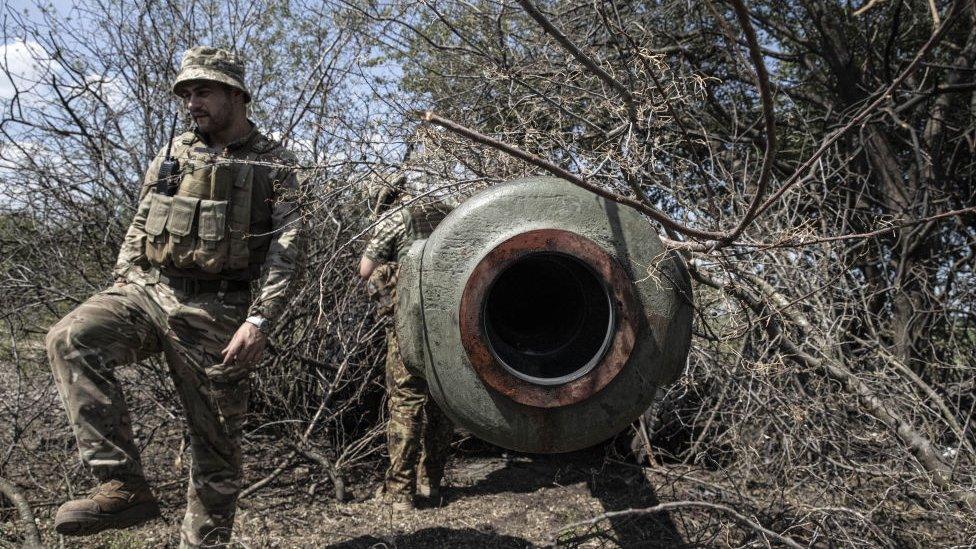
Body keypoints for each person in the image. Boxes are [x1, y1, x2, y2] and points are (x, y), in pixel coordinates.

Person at [46, 46, 305, 547]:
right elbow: (141, 224)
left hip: (218, 311)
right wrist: (124, 282)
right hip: (149, 292)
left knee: (216, 449)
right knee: (71, 337)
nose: (192, 101)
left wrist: (260, 320)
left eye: (203, 90)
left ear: (236, 94)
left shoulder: (275, 164)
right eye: (186, 92)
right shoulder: (172, 154)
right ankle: (120, 485)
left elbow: (288, 249)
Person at [358, 161, 454, 511]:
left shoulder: (395, 217)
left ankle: (400, 493)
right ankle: (432, 483)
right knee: (444, 402)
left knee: (405, 403)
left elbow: (365, 270)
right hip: (450, 324)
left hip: (410, 326)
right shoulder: (449, 211)